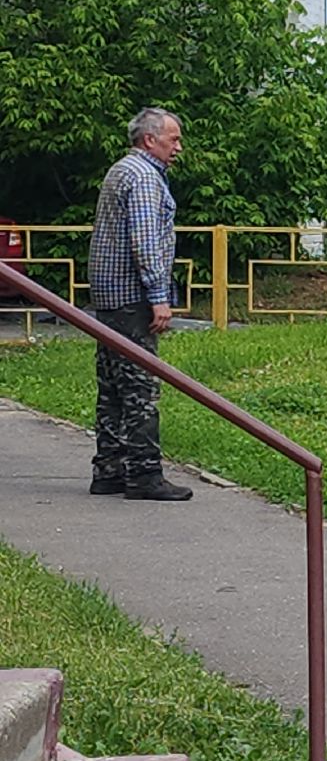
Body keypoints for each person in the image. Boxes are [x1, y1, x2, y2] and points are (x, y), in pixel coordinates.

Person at [87, 107, 193, 501]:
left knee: (112, 388)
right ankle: (145, 475)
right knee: (140, 388)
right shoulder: (145, 177)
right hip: (132, 298)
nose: (178, 147)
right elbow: (145, 242)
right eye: (173, 139)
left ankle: (109, 470)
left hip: (109, 297)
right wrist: (159, 297)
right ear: (150, 139)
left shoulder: (121, 169)